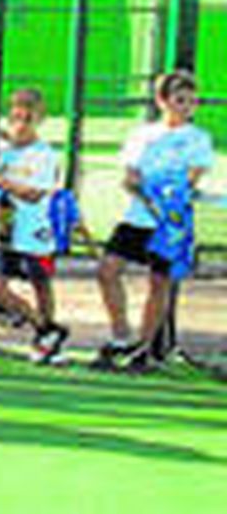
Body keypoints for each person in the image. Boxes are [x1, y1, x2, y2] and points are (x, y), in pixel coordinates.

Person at [95, 70, 214, 372]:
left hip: (170, 223)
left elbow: (189, 178)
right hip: (137, 218)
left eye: (191, 101)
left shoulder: (198, 139)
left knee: (159, 283)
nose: (186, 106)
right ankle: (121, 338)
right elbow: (131, 177)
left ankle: (143, 349)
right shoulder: (143, 135)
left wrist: (165, 197)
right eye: (179, 100)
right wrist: (148, 194)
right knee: (108, 270)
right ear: (162, 101)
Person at [0, 88, 74, 364]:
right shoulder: (2, 153)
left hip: (35, 232)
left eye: (27, 119)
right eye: (15, 117)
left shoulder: (44, 155)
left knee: (40, 284)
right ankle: (46, 330)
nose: (20, 124)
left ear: (39, 119)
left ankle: (48, 342)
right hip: (5, 231)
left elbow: (33, 194)